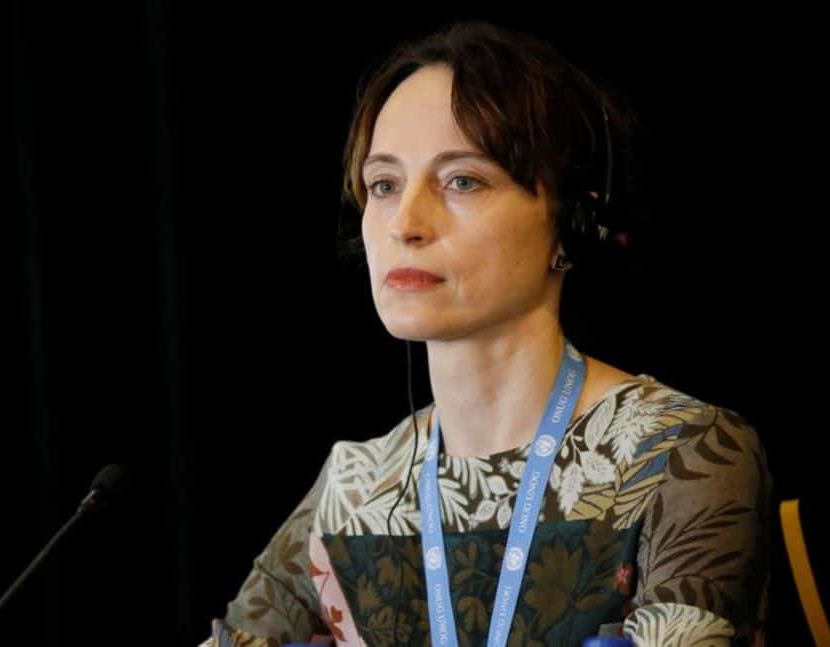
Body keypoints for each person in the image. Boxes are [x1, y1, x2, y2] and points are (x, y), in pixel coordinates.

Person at [203, 21, 771, 646]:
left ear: (571, 223)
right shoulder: (355, 484)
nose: (406, 223)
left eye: (462, 181)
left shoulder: (681, 453)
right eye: (384, 185)